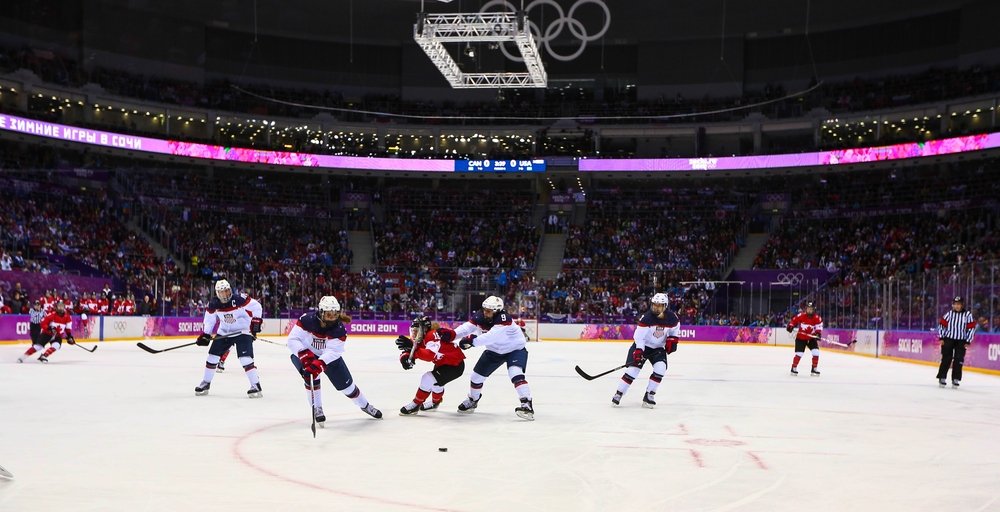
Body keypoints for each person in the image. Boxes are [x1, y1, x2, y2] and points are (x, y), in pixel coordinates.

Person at [286, 296, 382, 426]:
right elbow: (292, 340)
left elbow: (334, 352)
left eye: (334, 314)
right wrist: (303, 353)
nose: (332, 317)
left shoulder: (339, 329)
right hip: (307, 353)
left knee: (348, 388)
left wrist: (320, 363)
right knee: (310, 377)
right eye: (328, 314)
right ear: (320, 312)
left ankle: (365, 405)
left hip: (329, 358)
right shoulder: (306, 320)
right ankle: (317, 408)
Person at [453, 296, 534, 420]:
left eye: (489, 311)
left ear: (497, 311)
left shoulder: (503, 318)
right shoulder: (480, 316)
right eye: (484, 309)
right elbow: (466, 328)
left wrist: (471, 341)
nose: (485, 312)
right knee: (476, 377)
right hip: (494, 350)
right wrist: (452, 335)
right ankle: (473, 400)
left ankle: (526, 404)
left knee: (515, 373)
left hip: (514, 349)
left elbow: (491, 337)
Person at [192, 280, 264, 397]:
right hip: (224, 332)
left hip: (242, 331)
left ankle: (256, 385)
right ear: (217, 293)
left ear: (230, 290)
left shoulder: (240, 299)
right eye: (221, 292)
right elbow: (210, 319)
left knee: (245, 359)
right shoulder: (214, 304)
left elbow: (257, 306)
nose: (225, 295)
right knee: (212, 357)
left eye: (226, 291)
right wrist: (206, 334)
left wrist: (256, 322)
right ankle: (205, 383)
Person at [612, 293, 680, 408]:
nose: (656, 308)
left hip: (658, 349)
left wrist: (672, 340)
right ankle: (619, 393)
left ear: (665, 306)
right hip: (642, 346)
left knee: (660, 369)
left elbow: (674, 332)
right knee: (632, 371)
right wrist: (639, 350)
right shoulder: (647, 318)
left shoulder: (673, 318)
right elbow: (639, 337)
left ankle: (649, 395)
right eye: (654, 305)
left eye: (659, 305)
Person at [396, 315, 466, 415]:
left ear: (424, 329)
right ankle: (435, 403)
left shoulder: (432, 335)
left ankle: (416, 404)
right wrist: (404, 358)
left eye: (416, 330)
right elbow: (410, 351)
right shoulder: (422, 337)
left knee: (427, 378)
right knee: (436, 384)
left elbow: (429, 355)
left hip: (454, 366)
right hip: (444, 363)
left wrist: (413, 349)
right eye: (413, 330)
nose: (414, 333)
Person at [936, 296, 976, 387]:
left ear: (962, 305)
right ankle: (942, 377)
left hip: (961, 340)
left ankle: (956, 378)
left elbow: (971, 329)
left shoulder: (968, 315)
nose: (957, 306)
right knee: (946, 358)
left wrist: (968, 340)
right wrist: (942, 338)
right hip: (948, 339)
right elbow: (941, 326)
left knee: (959, 359)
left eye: (959, 304)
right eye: (955, 304)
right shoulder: (949, 314)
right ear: (953, 305)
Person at [786, 301, 823, 376]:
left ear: (814, 310)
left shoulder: (817, 318)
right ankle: (793, 368)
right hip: (801, 338)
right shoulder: (801, 315)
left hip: (811, 338)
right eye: (808, 309)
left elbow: (819, 328)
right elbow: (794, 321)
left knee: (816, 352)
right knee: (799, 354)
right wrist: (790, 326)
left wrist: (818, 334)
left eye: (811, 309)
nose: (809, 310)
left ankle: (814, 369)